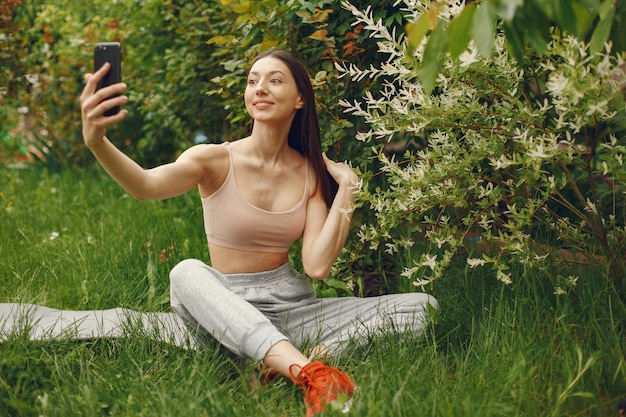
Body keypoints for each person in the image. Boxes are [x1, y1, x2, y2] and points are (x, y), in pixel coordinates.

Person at [79, 49, 438, 417]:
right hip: (222, 307)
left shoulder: (310, 175)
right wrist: (97, 142)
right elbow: (144, 185)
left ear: (300, 99)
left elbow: (316, 266)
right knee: (185, 271)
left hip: (289, 310)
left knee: (421, 307)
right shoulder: (214, 159)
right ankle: (310, 373)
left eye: (274, 80)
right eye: (253, 81)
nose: (260, 88)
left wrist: (348, 189)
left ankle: (285, 360)